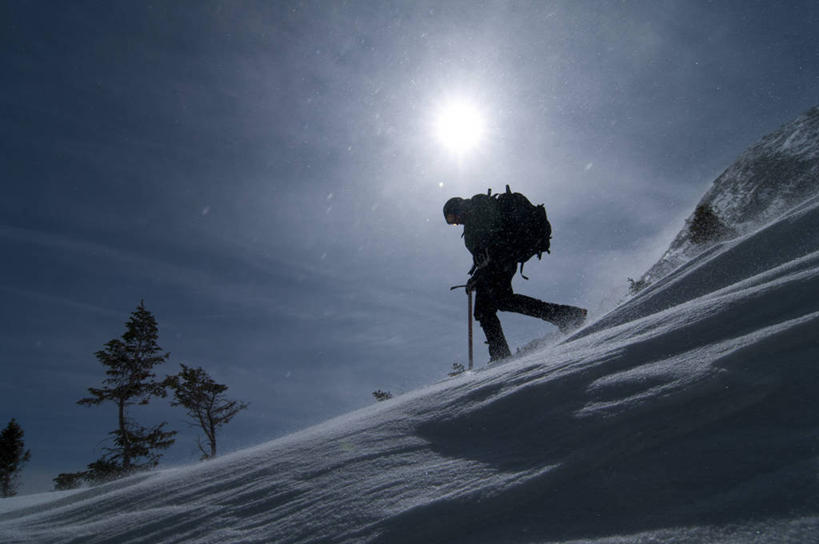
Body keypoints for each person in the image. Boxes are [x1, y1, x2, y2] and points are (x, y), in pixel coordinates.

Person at [444, 193, 587, 361]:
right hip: (497, 262)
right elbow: (484, 256)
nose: (456, 223)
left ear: (458, 208)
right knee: (489, 308)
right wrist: (476, 277)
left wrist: (480, 273)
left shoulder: (478, 210)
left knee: (497, 303)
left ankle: (566, 316)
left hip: (502, 258)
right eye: (451, 222)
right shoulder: (473, 221)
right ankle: (565, 316)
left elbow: (494, 243)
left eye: (453, 218)